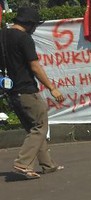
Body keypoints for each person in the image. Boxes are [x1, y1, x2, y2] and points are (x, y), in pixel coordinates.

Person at [1, 7, 66, 180]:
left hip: (11, 92)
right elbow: (35, 66)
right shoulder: (24, 38)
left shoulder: (3, 35)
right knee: (40, 126)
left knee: (33, 128)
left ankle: (47, 165)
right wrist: (52, 88)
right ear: (29, 24)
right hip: (26, 89)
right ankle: (23, 163)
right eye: (35, 25)